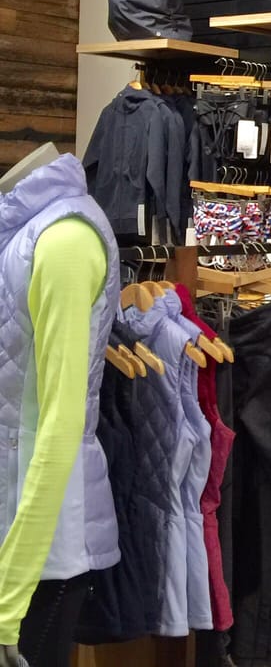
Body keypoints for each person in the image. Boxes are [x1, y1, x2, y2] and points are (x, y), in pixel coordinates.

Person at [0, 143, 120, 667]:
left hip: (39, 557)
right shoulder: (20, 235)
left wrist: (9, 599)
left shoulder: (64, 239)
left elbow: (61, 423)